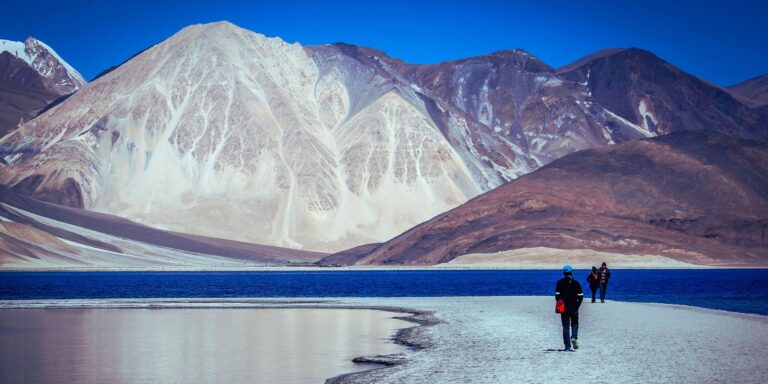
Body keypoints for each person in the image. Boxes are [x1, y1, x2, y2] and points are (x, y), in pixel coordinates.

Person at [555, 265, 584, 351]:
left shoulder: (559, 282)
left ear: (563, 273)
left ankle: (567, 346)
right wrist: (577, 306)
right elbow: (581, 296)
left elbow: (557, 296)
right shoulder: (576, 283)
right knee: (575, 324)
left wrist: (560, 304)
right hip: (574, 307)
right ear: (571, 272)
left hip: (564, 308)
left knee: (565, 326)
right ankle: (574, 337)